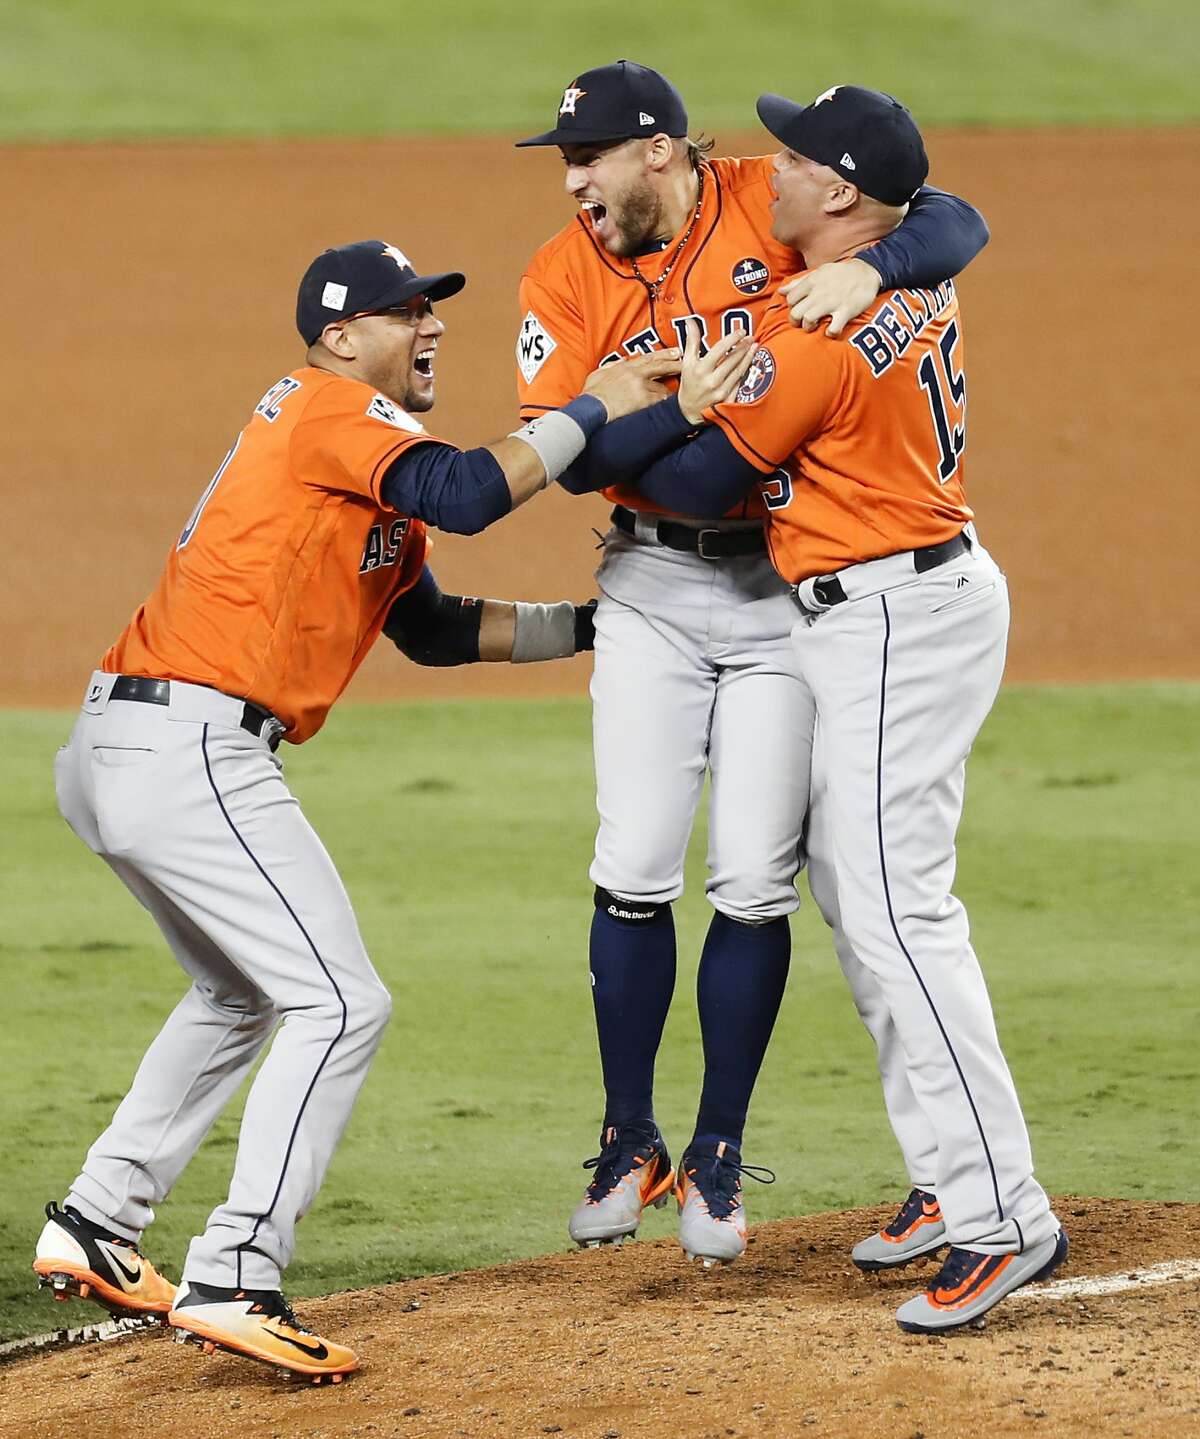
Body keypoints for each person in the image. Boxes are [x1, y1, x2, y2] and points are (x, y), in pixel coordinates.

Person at [32, 239, 683, 1381]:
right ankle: (237, 1268)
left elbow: (428, 626)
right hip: (186, 743)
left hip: (133, 742)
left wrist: (594, 625)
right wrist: (599, 404)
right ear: (341, 337)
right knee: (340, 1003)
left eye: (431, 309)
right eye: (403, 311)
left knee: (239, 994)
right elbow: (476, 492)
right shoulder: (330, 409)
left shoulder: (364, 461)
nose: (430, 325)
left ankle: (95, 1221)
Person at [514, 61, 992, 1267]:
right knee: (629, 858)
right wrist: (685, 412)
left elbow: (949, 216)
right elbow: (575, 459)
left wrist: (871, 264)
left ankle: (719, 1152)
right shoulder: (560, 278)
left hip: (782, 590)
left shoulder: (767, 205)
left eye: (592, 160)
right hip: (652, 583)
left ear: (662, 154)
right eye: (564, 163)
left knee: (753, 879)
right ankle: (632, 1134)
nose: (573, 184)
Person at [625, 85, 1068, 1331]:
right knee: (863, 892)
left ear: (842, 195)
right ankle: (945, 1171)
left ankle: (1001, 1213)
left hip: (891, 621)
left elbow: (704, 473)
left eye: (796, 152)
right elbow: (950, 215)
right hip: (905, 600)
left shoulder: (823, 326)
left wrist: (598, 426)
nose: (767, 162)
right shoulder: (880, 261)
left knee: (896, 912)